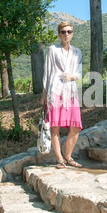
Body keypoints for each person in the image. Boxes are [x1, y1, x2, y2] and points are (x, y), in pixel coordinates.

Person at [40, 21, 83, 169]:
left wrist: (71, 77)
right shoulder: (53, 50)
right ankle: (59, 159)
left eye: (69, 31)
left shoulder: (77, 52)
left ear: (72, 33)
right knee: (55, 127)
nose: (66, 34)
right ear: (59, 34)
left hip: (70, 93)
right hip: (55, 92)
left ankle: (68, 156)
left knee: (75, 127)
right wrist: (44, 94)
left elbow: (79, 73)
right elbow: (47, 72)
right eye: (63, 32)